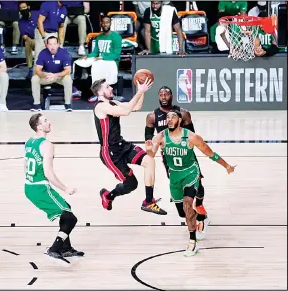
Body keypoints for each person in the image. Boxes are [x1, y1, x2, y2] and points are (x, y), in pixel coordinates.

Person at [147, 109, 235, 256]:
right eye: (167, 117)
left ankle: (192, 243)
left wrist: (226, 166)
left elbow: (210, 153)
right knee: (183, 214)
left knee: (188, 203)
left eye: (173, 117)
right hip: (174, 176)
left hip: (190, 173)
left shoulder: (191, 137)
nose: (169, 119)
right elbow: (151, 154)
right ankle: (202, 218)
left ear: (180, 120)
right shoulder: (161, 137)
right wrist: (149, 149)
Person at [91, 78, 167, 215]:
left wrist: (141, 91)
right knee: (131, 184)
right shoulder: (100, 106)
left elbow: (135, 107)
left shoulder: (113, 103)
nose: (111, 89)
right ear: (100, 92)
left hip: (122, 145)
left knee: (149, 161)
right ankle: (108, 196)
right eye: (108, 87)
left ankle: (148, 202)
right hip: (110, 153)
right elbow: (126, 112)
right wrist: (140, 92)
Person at [145, 86, 210, 240]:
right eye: (161, 94)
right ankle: (192, 214)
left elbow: (191, 134)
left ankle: (199, 205)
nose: (163, 96)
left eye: (166, 94)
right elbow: (148, 136)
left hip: (186, 154)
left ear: (171, 96)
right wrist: (151, 144)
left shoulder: (183, 113)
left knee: (198, 185)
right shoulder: (152, 116)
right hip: (169, 157)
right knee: (179, 191)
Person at [24, 113, 84, 264]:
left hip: (29, 186)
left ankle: (66, 248)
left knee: (66, 210)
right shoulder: (47, 145)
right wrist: (65, 188)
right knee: (71, 218)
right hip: (39, 188)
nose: (49, 122)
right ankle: (55, 248)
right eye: (45, 121)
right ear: (39, 126)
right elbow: (48, 173)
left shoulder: (29, 142)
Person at [31, 36, 73, 112]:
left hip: (59, 77)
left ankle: (68, 104)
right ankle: (36, 104)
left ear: (58, 44)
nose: (52, 47)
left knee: (68, 79)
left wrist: (56, 75)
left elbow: (68, 70)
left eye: (54, 44)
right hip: (47, 76)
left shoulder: (64, 53)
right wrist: (45, 75)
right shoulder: (43, 53)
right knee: (34, 78)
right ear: (47, 45)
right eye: (50, 44)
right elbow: (37, 69)